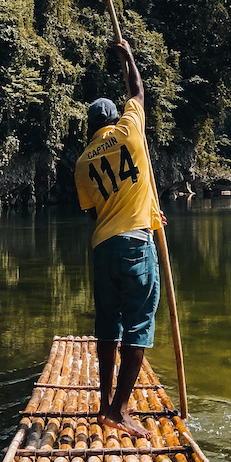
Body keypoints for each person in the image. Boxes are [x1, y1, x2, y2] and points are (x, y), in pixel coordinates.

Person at [75, 38, 163, 439]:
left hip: (103, 247)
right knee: (139, 326)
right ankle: (120, 410)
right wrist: (128, 57)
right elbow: (138, 92)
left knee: (107, 327)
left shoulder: (82, 162)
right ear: (113, 120)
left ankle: (104, 402)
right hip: (135, 244)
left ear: (90, 127)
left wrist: (147, 210)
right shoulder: (130, 131)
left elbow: (98, 209)